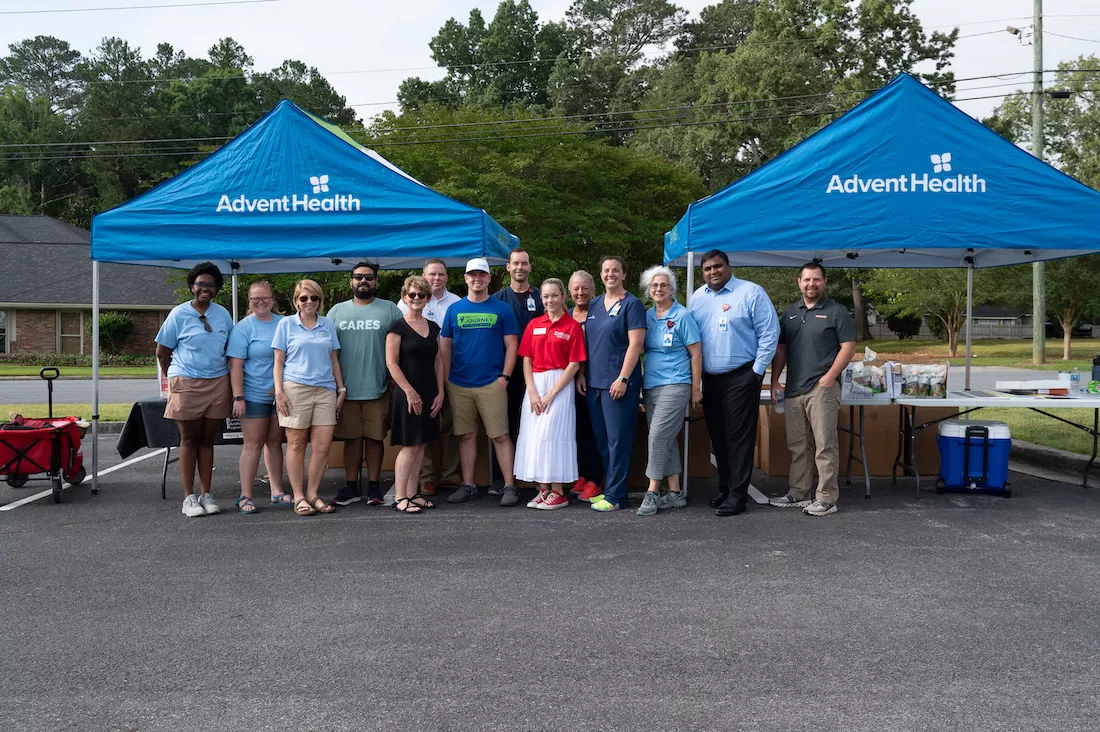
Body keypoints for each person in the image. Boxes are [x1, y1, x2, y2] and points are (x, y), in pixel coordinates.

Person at [688, 250, 779, 517]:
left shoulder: (751, 292)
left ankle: (739, 495)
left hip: (742, 375)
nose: (713, 272)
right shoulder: (697, 298)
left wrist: (757, 370)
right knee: (718, 437)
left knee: (739, 437)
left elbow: (769, 332)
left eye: (717, 266)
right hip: (711, 379)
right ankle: (726, 487)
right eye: (707, 269)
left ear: (728, 266)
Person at [769, 263, 856, 517]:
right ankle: (798, 493)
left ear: (824, 282)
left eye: (816, 280)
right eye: (807, 280)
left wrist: (830, 376)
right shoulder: (790, 313)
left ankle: (827, 498)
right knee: (798, 445)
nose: (811, 284)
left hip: (822, 388)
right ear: (799, 282)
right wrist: (775, 380)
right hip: (794, 389)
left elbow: (848, 347)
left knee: (824, 445)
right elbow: (781, 350)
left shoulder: (836, 312)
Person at [155, 262, 235, 518]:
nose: (205, 288)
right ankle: (189, 498)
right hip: (186, 382)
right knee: (188, 438)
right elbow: (162, 351)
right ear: (192, 286)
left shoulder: (222, 314)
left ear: (216, 290)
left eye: (210, 285)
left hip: (217, 382)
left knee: (208, 439)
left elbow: (230, 349)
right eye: (200, 283)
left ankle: (206, 494)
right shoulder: (178, 314)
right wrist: (173, 379)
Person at [440, 258, 521, 506]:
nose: (477, 279)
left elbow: (512, 345)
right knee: (466, 436)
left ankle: (510, 486)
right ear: (465, 278)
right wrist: (446, 380)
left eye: (482, 275)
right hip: (460, 383)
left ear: (488, 279)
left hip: (491, 383)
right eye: (472, 275)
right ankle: (469, 485)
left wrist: (505, 377)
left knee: (500, 436)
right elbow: (445, 347)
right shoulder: (454, 310)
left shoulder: (502, 309)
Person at [326, 262, 402, 507]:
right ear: (351, 282)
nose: (363, 281)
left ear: (376, 282)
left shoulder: (390, 310)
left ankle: (373, 485)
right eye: (358, 277)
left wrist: (394, 380)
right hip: (345, 389)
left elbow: (402, 347)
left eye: (369, 278)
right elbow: (325, 349)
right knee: (351, 439)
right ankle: (350, 486)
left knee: (374, 438)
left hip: (379, 387)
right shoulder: (336, 311)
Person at [272, 279, 346, 516]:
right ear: (296, 301)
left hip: (325, 390)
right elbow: (278, 362)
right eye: (303, 298)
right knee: (296, 444)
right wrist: (279, 392)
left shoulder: (328, 325)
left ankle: (313, 494)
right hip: (295, 388)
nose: (309, 302)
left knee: (322, 447)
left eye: (314, 298)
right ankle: (299, 497)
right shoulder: (286, 324)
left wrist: (341, 388)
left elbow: (334, 360)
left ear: (320, 300)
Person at [513, 278, 586, 510]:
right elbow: (526, 358)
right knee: (536, 437)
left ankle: (558, 491)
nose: (549, 300)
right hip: (535, 384)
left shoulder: (571, 327)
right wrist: (533, 392)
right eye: (545, 296)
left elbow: (574, 364)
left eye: (554, 295)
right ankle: (543, 489)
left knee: (554, 434)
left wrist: (552, 394)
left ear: (563, 296)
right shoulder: (534, 325)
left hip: (559, 385)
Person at [636, 266, 703, 517]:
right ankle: (675, 493)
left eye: (663, 285)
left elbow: (696, 353)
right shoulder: (647, 316)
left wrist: (695, 389)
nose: (658, 289)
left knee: (657, 436)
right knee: (666, 437)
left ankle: (652, 491)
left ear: (672, 288)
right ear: (648, 290)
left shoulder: (682, 316)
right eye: (654, 285)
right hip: (651, 384)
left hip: (676, 383)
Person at [581, 256, 646, 512]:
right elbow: (589, 345)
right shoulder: (595, 305)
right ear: (601, 275)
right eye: (606, 270)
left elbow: (636, 345)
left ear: (623, 275)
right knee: (602, 440)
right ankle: (611, 490)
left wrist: (622, 377)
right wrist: (583, 374)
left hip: (618, 384)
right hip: (595, 383)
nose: (610, 274)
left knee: (618, 440)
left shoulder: (632, 304)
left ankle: (617, 496)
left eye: (615, 270)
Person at [399, 258, 462, 496]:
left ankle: (450, 475)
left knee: (449, 424)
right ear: (424, 276)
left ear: (447, 277)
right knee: (421, 428)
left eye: (441, 274)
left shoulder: (457, 302)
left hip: (452, 371)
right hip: (418, 376)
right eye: (432, 274)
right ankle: (425, 478)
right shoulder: (408, 301)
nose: (436, 278)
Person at [227, 280, 291, 514]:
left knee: (275, 443)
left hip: (281, 395)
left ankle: (276, 491)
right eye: (255, 298)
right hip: (252, 395)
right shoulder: (243, 328)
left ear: (273, 300)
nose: (260, 301)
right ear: (250, 301)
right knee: (253, 444)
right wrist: (238, 397)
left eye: (265, 297)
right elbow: (235, 365)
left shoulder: (285, 323)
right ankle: (245, 495)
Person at [387, 275, 445, 514]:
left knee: (421, 445)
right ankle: (400, 496)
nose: (417, 298)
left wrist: (441, 392)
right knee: (410, 445)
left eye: (422, 295)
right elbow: (391, 363)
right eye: (412, 294)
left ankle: (413, 493)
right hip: (407, 394)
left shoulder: (433, 328)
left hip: (429, 392)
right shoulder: (397, 327)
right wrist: (410, 392)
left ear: (428, 299)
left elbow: (438, 361)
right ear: (404, 297)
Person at [490, 248, 544, 495]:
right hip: (506, 372)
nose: (520, 267)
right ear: (508, 267)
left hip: (538, 373)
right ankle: (501, 481)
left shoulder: (543, 299)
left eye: (525, 263)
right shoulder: (497, 299)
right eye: (515, 263)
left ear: (530, 267)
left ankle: (536, 479)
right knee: (503, 426)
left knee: (535, 425)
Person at [568, 271, 604, 502]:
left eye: (585, 288)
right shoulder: (567, 315)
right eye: (576, 289)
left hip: (595, 379)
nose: (580, 293)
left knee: (595, 430)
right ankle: (581, 475)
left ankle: (595, 479)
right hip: (569, 381)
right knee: (576, 429)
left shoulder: (600, 313)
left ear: (593, 289)